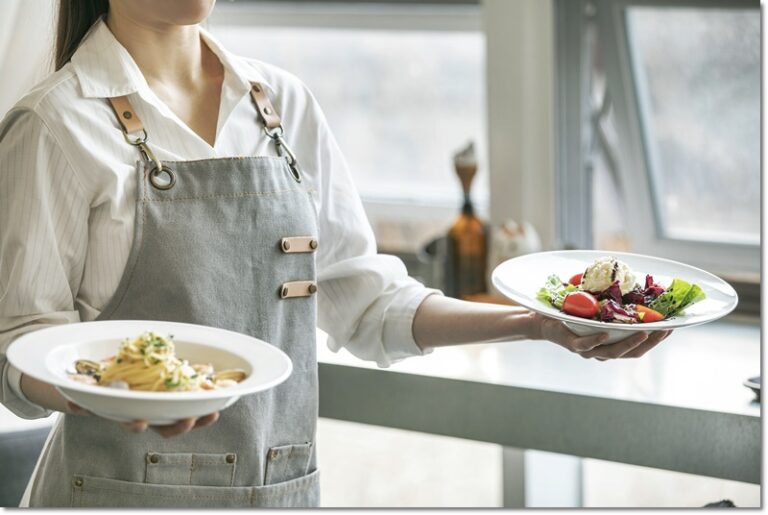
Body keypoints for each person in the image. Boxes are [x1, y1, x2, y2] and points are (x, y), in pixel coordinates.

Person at [0, 0, 670, 508]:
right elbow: (18, 346)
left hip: (279, 488)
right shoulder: (56, 126)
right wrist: (110, 392)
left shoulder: (282, 106)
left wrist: (537, 322)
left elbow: (369, 304)